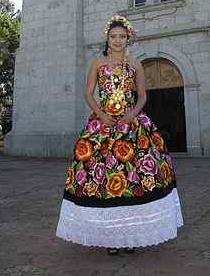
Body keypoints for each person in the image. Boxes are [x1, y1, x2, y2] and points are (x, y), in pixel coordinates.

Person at [56, 14, 183, 253]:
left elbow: (143, 96)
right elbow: (87, 93)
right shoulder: (97, 63)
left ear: (128, 39)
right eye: (113, 37)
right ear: (107, 38)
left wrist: (132, 114)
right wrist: (100, 114)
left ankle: (130, 236)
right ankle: (110, 238)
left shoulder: (135, 65)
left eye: (122, 37)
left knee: (135, 180)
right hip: (102, 124)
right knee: (103, 180)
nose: (117, 41)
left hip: (131, 123)